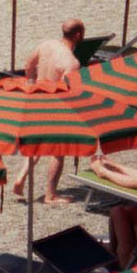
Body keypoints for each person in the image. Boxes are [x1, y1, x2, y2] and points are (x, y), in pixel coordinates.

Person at [12, 20, 86, 204]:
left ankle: (21, 178)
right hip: (54, 105)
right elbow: (66, 90)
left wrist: (31, 85)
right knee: (58, 150)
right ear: (78, 35)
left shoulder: (46, 45)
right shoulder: (72, 62)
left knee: (37, 142)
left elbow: (29, 64)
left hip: (37, 97)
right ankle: (50, 195)